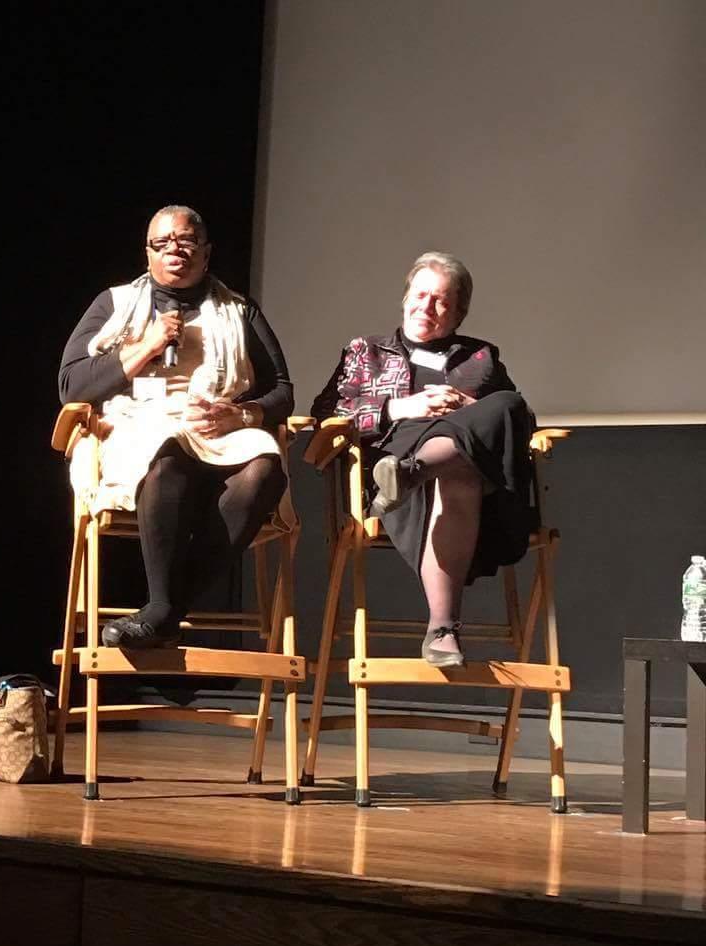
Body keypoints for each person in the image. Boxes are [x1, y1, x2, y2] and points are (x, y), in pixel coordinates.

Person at [59, 205, 293, 649]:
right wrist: (146, 345)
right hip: (140, 424)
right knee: (166, 452)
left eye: (185, 241)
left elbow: (282, 390)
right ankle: (165, 606)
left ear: (206, 251)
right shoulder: (116, 303)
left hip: (217, 426)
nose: (174, 251)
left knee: (266, 465)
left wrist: (242, 414)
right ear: (147, 253)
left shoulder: (239, 310)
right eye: (162, 243)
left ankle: (163, 610)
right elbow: (71, 385)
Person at [311, 252, 534, 668]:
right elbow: (326, 416)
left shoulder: (480, 357)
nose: (426, 307)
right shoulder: (367, 351)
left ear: (459, 313)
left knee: (504, 406)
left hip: (450, 475)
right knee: (460, 468)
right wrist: (402, 407)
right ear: (405, 297)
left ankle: (414, 474)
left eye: (442, 301)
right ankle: (443, 628)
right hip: (390, 458)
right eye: (420, 294)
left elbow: (519, 420)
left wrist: (468, 408)